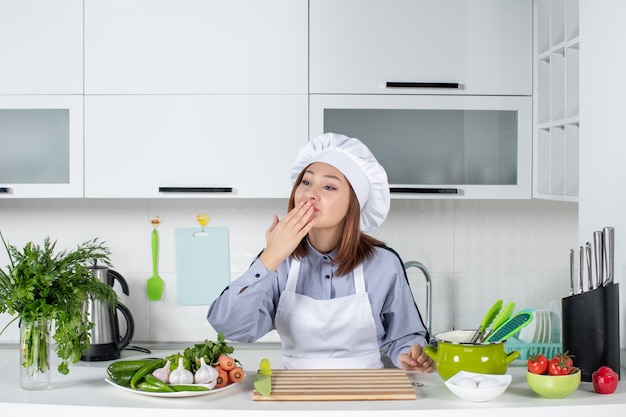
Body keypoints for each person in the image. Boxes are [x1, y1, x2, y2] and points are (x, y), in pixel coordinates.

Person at [207, 132, 434, 371]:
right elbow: (228, 327)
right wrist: (270, 257)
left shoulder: (384, 263)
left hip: (366, 397)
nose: (310, 194)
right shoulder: (277, 262)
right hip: (296, 397)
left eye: (328, 186)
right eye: (306, 182)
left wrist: (411, 355)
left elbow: (404, 338)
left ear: (353, 204)